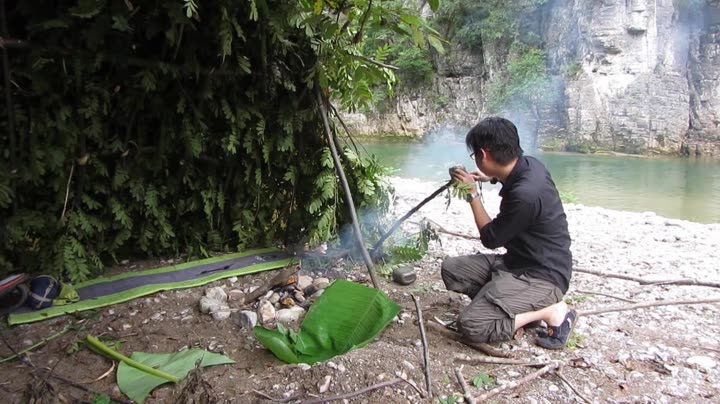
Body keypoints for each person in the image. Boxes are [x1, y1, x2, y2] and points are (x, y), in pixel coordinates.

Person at [441, 117, 576, 349]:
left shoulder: (525, 195)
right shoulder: (530, 165)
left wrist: (472, 194)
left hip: (542, 275)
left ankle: (552, 310)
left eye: (475, 156)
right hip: (516, 262)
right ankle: (512, 305)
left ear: (484, 155)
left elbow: (491, 238)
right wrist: (491, 176)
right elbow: (510, 182)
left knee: (471, 325)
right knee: (452, 270)